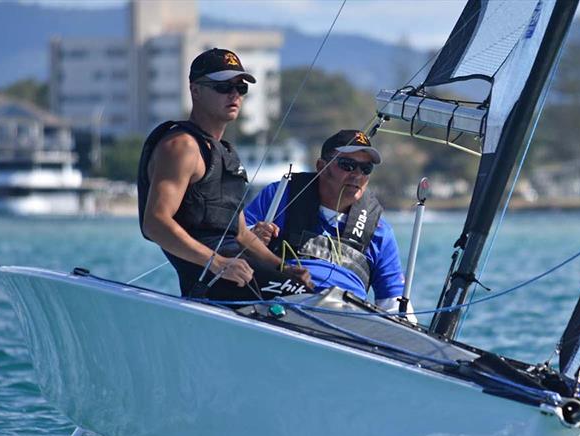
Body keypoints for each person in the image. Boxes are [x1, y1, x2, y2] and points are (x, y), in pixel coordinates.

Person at [136, 48, 312, 300]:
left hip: (235, 266)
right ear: (195, 90)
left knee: (309, 290)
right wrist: (217, 263)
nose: (234, 95)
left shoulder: (225, 153)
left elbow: (239, 233)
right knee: (301, 298)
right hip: (210, 277)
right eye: (223, 87)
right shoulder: (182, 146)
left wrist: (281, 266)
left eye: (240, 88)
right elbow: (154, 223)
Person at [244, 130, 413, 315]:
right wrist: (252, 236)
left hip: (346, 318)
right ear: (321, 166)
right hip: (280, 303)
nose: (357, 175)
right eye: (347, 165)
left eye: (366, 169)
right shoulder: (280, 196)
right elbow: (230, 238)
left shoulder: (380, 231)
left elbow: (393, 303)